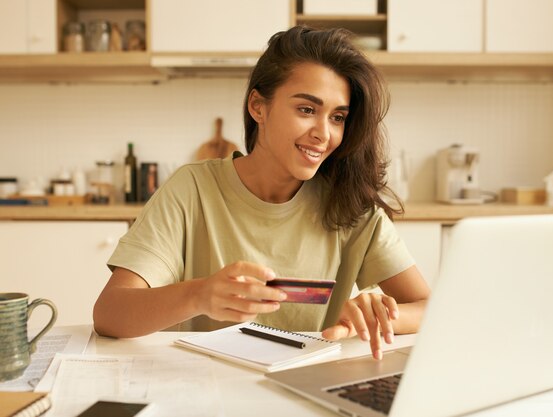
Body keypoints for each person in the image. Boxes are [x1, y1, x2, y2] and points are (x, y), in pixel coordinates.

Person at [93, 25, 430, 360]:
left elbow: (430, 307)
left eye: (338, 117)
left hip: (308, 388)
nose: (323, 134)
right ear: (258, 106)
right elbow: (110, 313)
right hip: (206, 390)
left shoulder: (350, 202)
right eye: (307, 110)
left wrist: (378, 314)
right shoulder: (192, 189)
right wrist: (199, 295)